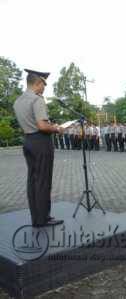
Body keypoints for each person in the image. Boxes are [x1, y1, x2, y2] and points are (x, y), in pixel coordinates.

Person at [13, 69, 64, 227]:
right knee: (43, 181)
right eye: (44, 84)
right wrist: (56, 128)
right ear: (37, 83)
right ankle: (43, 219)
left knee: (33, 181)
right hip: (41, 142)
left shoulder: (18, 101)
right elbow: (42, 126)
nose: (44, 88)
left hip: (28, 141)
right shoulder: (37, 100)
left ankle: (36, 218)